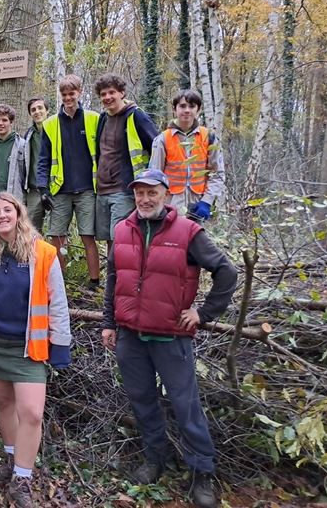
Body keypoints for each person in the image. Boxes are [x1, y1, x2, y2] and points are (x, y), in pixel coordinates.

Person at [101, 168, 237, 508]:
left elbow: (226, 271)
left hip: (172, 337)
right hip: (130, 335)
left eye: (152, 193)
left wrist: (203, 314)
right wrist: (108, 323)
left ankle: (202, 472)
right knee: (143, 400)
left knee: (185, 406)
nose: (145, 199)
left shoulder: (189, 232)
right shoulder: (122, 229)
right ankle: (155, 459)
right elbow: (113, 279)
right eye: (140, 193)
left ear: (166, 195)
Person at [0, 192, 71, 508]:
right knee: (4, 403)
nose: (2, 216)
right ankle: (11, 461)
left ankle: (22, 479)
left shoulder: (44, 253)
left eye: (8, 210)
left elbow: (57, 302)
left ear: (19, 214)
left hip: (28, 349)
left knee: (32, 413)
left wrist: (60, 344)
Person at [37, 75, 101, 287]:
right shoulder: (50, 124)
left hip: (87, 189)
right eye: (64, 95)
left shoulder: (94, 119)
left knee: (87, 236)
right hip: (60, 189)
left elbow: (104, 153)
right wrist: (43, 189)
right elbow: (44, 159)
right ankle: (61, 281)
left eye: (71, 94)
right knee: (56, 237)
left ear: (79, 93)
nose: (68, 98)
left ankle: (94, 282)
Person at [94, 73, 159, 247]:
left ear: (122, 93)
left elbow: (158, 146)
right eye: (103, 94)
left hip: (124, 189)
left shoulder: (136, 116)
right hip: (101, 190)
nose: (107, 97)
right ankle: (112, 274)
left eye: (111, 92)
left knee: (120, 238)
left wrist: (148, 181)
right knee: (109, 239)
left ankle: (123, 274)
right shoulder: (102, 119)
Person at [149, 90, 226, 220]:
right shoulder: (163, 139)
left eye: (191, 106)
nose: (187, 110)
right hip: (170, 204)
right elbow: (155, 176)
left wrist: (206, 201)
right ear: (174, 109)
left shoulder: (208, 137)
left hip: (198, 203)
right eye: (182, 106)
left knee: (197, 240)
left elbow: (217, 173)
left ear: (198, 110)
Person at [22, 97, 49, 233]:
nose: (37, 112)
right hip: (34, 190)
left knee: (57, 231)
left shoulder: (56, 129)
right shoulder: (29, 135)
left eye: (40, 108)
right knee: (31, 230)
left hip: (55, 188)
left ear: (47, 110)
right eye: (33, 110)